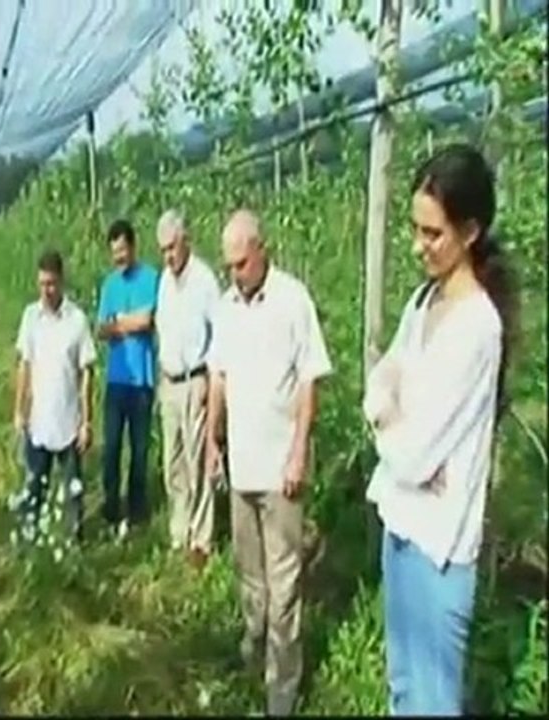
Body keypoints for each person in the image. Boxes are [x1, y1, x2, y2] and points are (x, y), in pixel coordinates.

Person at [363, 143, 517, 715]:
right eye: (415, 229)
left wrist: (389, 418)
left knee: (432, 703)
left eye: (433, 234)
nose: (418, 245)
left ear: (470, 230)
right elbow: (381, 380)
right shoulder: (423, 303)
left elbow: (412, 457)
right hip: (401, 525)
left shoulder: (477, 328)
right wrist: (390, 408)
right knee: (403, 688)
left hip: (439, 549)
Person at [206, 209, 332, 715]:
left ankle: (282, 687)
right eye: (229, 266)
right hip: (242, 465)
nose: (234, 273)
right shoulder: (226, 307)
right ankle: (253, 644)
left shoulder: (292, 300)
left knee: (284, 584)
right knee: (249, 570)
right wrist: (213, 439)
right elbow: (218, 375)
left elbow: (309, 380)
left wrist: (300, 449)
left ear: (262, 250)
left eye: (240, 263)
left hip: (282, 471)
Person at [13, 249, 96, 544]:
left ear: (61, 281)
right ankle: (30, 540)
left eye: (51, 283)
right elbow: (24, 365)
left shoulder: (77, 320)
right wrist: (19, 411)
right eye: (42, 284)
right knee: (34, 484)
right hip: (39, 422)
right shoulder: (30, 317)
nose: (46, 290)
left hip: (68, 422)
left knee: (73, 489)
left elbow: (87, 372)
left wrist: (86, 422)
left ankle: (74, 543)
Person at [154, 209, 221, 568]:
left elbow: (220, 334)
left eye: (172, 247)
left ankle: (201, 539)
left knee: (198, 464)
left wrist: (212, 383)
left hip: (196, 381)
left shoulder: (204, 280)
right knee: (173, 463)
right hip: (170, 381)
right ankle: (178, 532)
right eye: (163, 249)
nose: (168, 255)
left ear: (185, 241)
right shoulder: (164, 282)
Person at [96, 218, 161, 539]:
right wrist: (125, 322)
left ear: (133, 247)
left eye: (122, 251)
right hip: (116, 380)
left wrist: (118, 322)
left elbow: (147, 321)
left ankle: (136, 511)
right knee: (110, 449)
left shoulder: (151, 278)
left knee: (138, 450)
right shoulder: (109, 285)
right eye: (114, 253)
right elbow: (100, 329)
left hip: (142, 382)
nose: (118, 258)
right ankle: (110, 507)